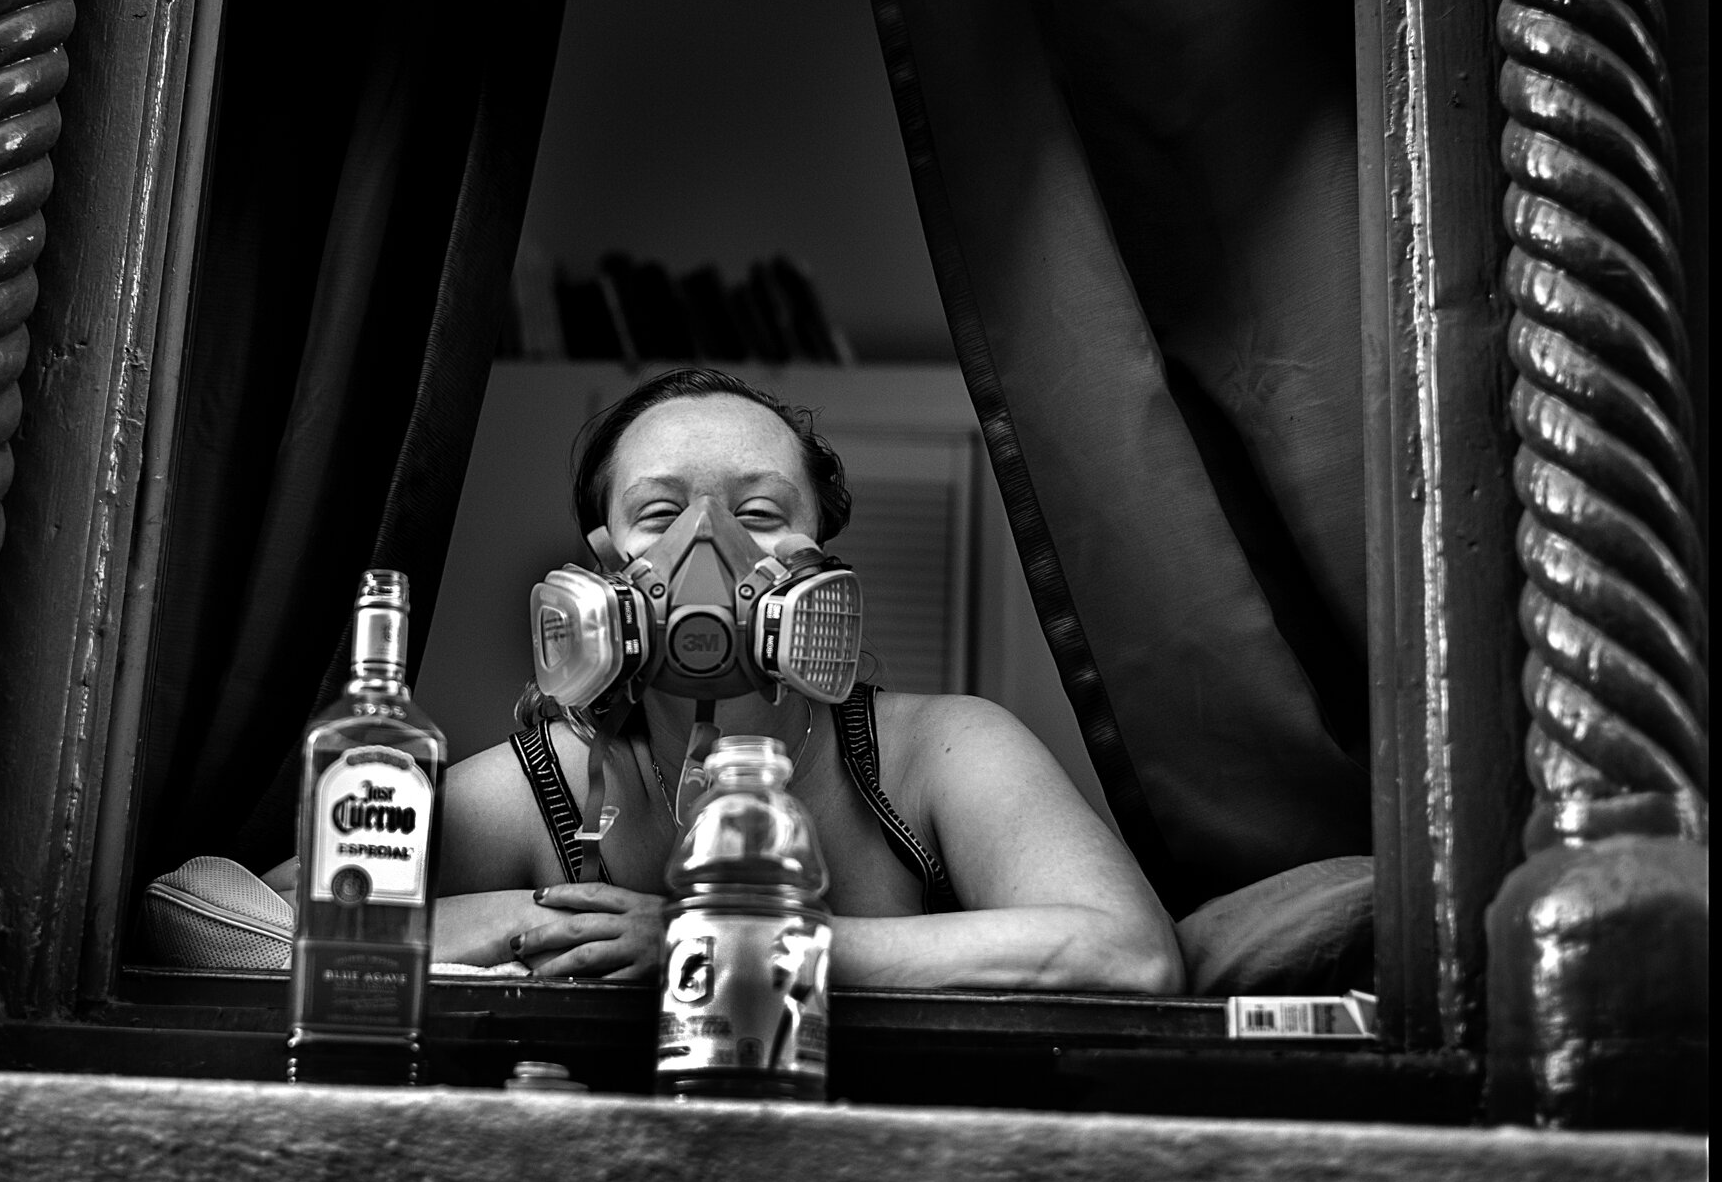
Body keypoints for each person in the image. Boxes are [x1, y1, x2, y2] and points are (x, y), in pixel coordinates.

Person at [277, 367, 1183, 993]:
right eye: (660, 514)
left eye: (757, 512)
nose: (708, 548)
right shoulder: (533, 790)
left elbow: (1130, 954)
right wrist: (514, 920)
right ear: (600, 570)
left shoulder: (941, 754)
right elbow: (227, 920)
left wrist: (736, 944)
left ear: (817, 558)